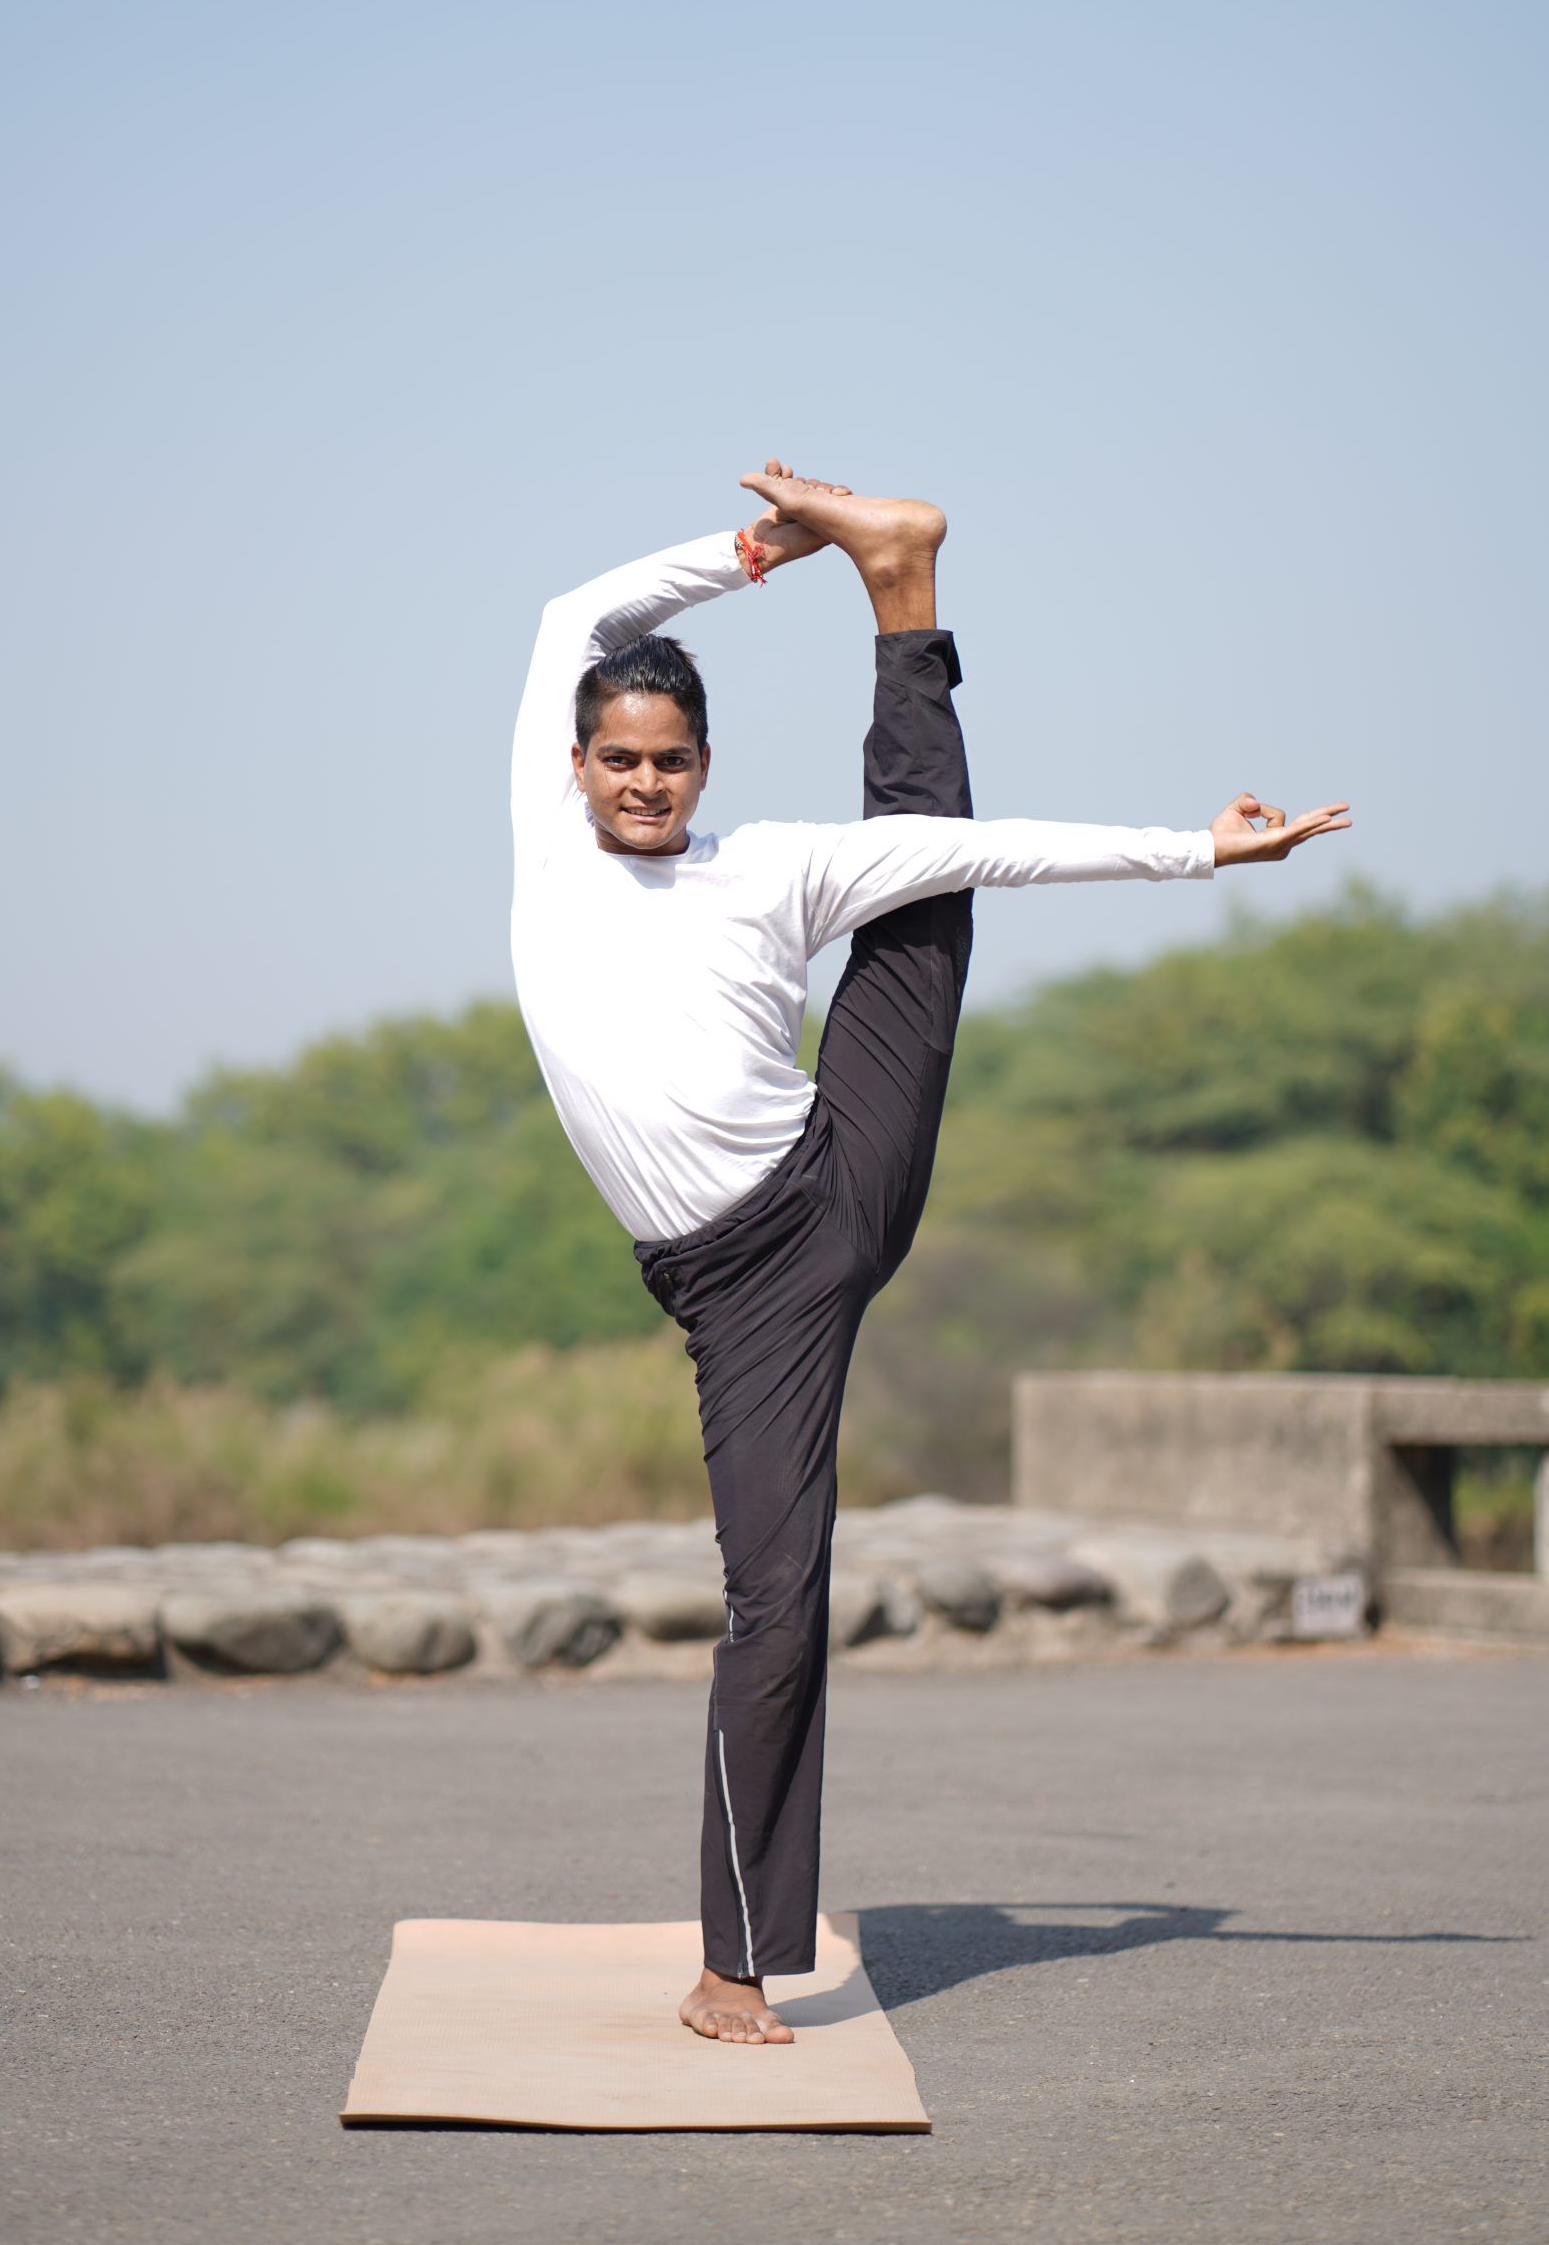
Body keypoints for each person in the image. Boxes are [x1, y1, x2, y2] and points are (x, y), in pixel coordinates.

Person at [509, 464, 1349, 2047]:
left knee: (933, 876)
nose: (643, 784)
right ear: (575, 765)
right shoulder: (550, 849)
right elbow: (581, 614)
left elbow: (1014, 846)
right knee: (778, 1597)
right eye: (618, 759)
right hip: (735, 1291)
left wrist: (1198, 853)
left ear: (703, 763)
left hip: (835, 1184)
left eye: (670, 761)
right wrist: (764, 549)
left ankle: (730, 1967)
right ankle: (895, 573)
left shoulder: (761, 870)